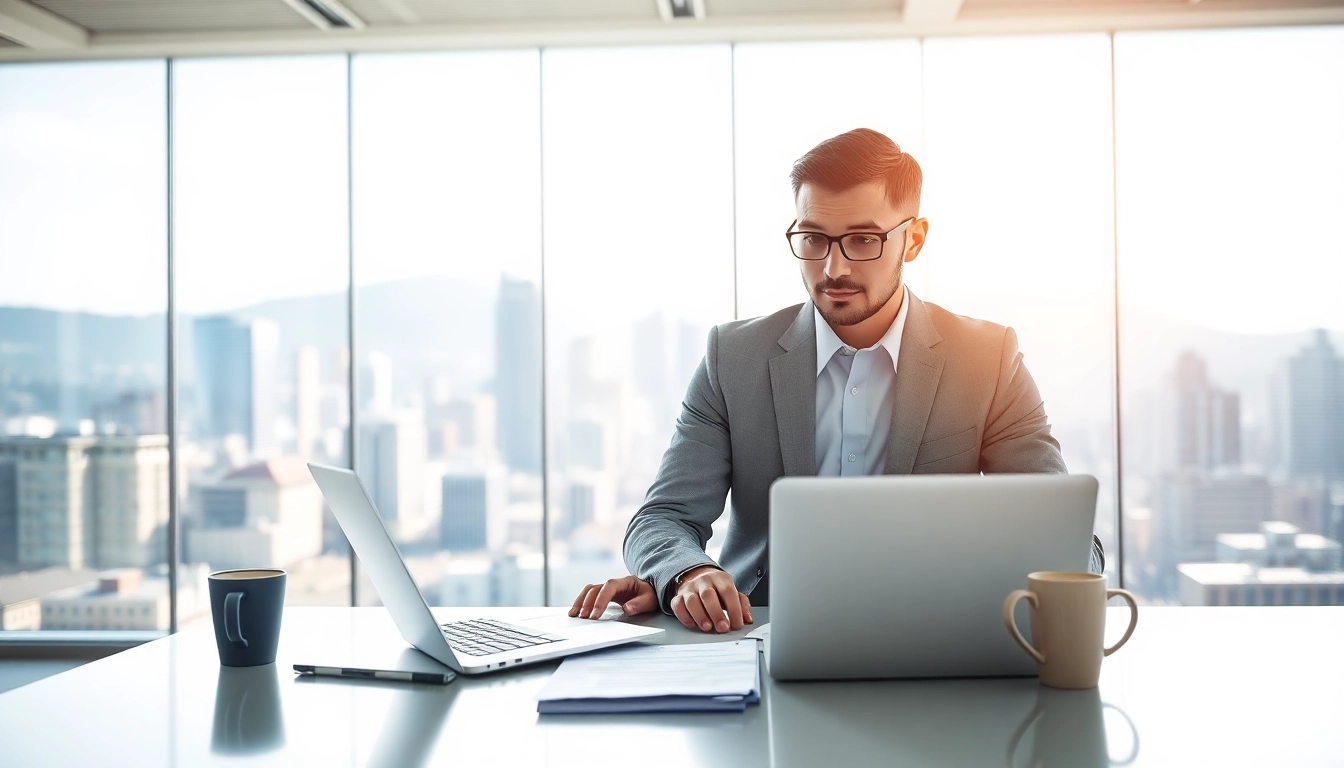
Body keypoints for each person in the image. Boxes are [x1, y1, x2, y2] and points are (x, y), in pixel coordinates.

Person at [568, 128, 1103, 634]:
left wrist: (1040, 564)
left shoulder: (987, 359)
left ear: (913, 239)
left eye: (863, 240)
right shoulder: (733, 358)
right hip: (760, 632)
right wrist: (689, 573)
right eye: (814, 239)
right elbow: (664, 518)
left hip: (935, 636)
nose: (833, 269)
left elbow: (1065, 536)